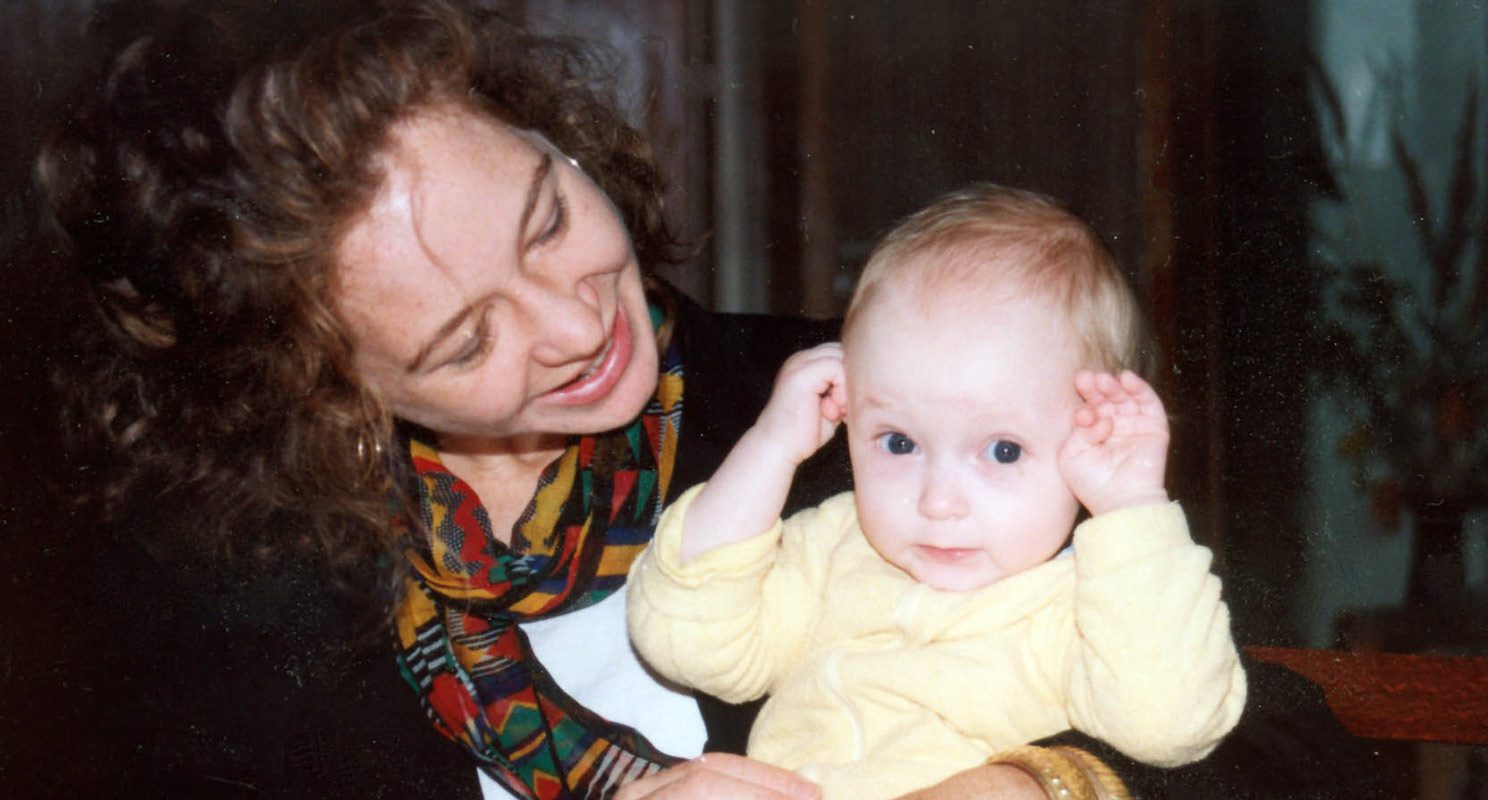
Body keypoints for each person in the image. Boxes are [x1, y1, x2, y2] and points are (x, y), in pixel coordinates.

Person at [20, 0, 1377, 798]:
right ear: (310, 384)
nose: (577, 321)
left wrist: (1039, 784)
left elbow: (1297, 750)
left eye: (550, 216)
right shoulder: (225, 612)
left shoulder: (861, 418)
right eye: (466, 336)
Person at [627, 186, 1247, 799]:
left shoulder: (1088, 606)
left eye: (1002, 450)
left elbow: (1172, 723)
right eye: (898, 442)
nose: (937, 502)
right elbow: (688, 643)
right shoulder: (834, 550)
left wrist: (1131, 508)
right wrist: (769, 448)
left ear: (1092, 437)